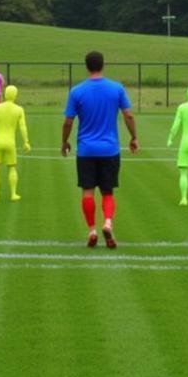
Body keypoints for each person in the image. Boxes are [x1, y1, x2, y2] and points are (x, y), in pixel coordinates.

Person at [61, 50, 139, 248]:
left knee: (87, 191)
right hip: (110, 150)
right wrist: (134, 137)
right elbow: (128, 115)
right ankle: (108, 223)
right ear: (103, 65)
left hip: (86, 150)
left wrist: (65, 141)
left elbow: (68, 121)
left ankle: (92, 230)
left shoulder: (77, 91)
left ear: (87, 66)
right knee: (108, 192)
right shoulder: (116, 88)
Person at [0, 84, 30, 202]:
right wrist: (26, 142)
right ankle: (13, 194)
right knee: (12, 168)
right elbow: (22, 127)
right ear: (15, 95)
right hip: (10, 142)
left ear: (5, 94)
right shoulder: (19, 109)